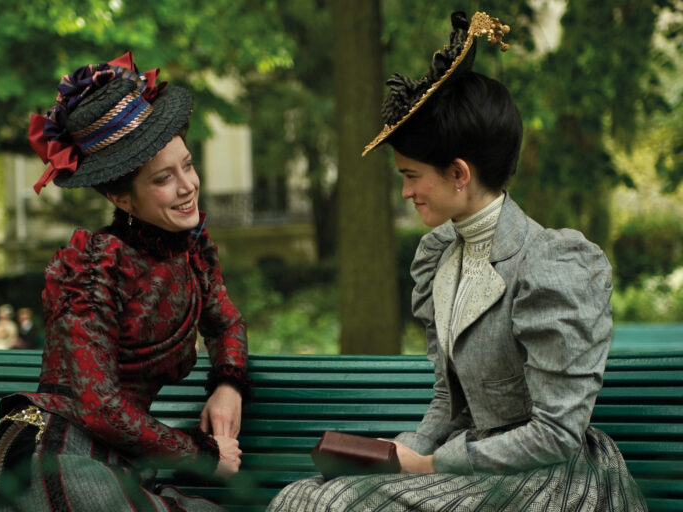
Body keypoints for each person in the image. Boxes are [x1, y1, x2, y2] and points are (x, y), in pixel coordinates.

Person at [268, 11, 647, 512]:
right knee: (301, 496)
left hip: (549, 482)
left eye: (411, 176)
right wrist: (399, 452)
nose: (405, 192)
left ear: (459, 173)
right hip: (469, 467)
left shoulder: (552, 264)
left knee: (335, 505)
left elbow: (556, 434)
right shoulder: (441, 255)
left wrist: (429, 465)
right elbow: (450, 402)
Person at [0, 51, 250, 512]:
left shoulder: (192, 252)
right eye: (163, 179)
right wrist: (201, 454)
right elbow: (97, 405)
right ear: (121, 198)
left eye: (187, 165)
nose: (187, 186)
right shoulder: (93, 268)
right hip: (49, 460)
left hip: (112, 465)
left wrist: (228, 385)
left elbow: (226, 324)